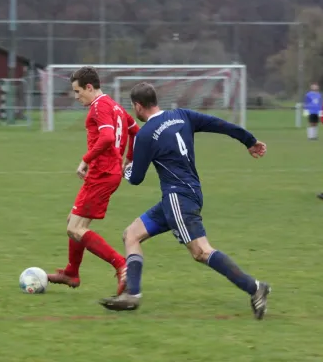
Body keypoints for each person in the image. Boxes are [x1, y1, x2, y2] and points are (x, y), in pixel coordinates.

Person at [98, 82, 271, 320]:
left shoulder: (145, 134)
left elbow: (136, 178)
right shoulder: (182, 116)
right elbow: (221, 125)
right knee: (132, 234)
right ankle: (132, 295)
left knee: (200, 251)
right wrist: (249, 141)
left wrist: (124, 169)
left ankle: (255, 287)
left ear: (137, 106)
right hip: (184, 195)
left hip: (178, 198)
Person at [47, 66, 139, 295]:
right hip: (107, 173)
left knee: (76, 228)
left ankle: (121, 265)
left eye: (78, 92)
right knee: (73, 221)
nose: (76, 97)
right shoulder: (116, 106)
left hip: (102, 175)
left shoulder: (99, 107)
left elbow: (107, 137)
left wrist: (85, 159)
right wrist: (128, 159)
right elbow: (136, 130)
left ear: (90, 87)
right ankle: (71, 272)